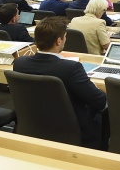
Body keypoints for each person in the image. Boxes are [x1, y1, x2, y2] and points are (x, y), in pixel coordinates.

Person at [13, 17, 107, 149]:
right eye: (65, 37)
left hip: (34, 125)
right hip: (71, 129)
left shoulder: (19, 63)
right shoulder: (71, 68)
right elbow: (100, 101)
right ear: (58, 41)